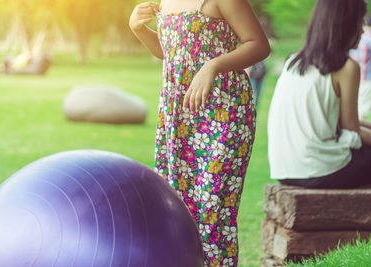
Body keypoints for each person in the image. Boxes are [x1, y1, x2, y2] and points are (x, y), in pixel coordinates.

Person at [130, 0, 270, 265]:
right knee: (177, 207)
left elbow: (258, 44)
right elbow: (170, 51)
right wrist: (139, 30)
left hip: (223, 113)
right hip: (178, 115)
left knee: (212, 211)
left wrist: (212, 66)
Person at [268, 0, 371, 189]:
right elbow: (352, 132)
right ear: (345, 26)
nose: (363, 30)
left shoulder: (293, 62)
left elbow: (343, 123)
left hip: (285, 170)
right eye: (359, 22)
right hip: (321, 169)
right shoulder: (346, 67)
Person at [351, 15, 371, 119]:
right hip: (368, 77)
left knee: (357, 105)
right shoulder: (370, 39)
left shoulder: (358, 38)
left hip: (355, 77)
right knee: (362, 111)